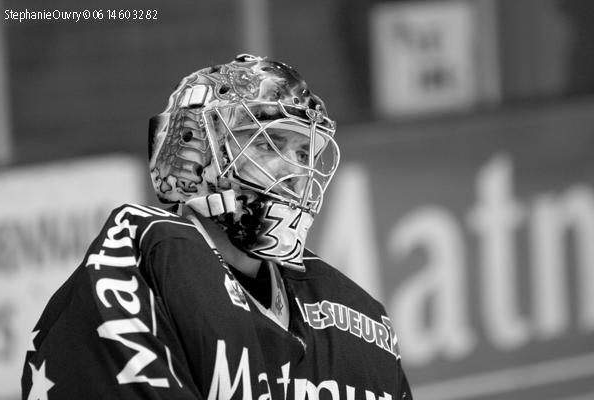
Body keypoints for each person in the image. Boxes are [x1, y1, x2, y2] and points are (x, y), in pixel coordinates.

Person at [21, 54, 413, 399]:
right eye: (269, 143)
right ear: (197, 154)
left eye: (304, 151)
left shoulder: (359, 317)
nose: (297, 170)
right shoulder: (140, 275)